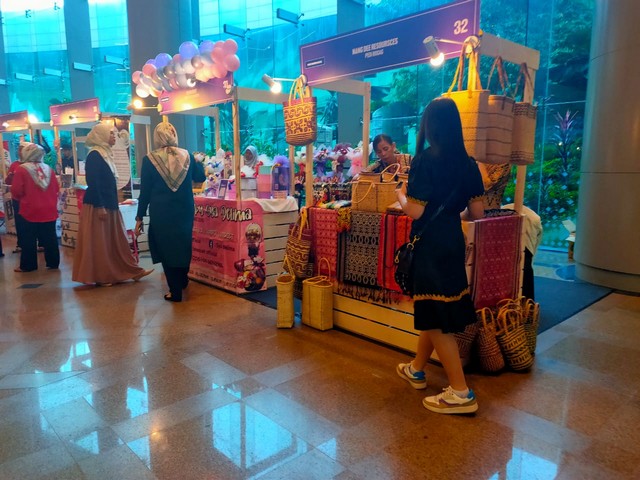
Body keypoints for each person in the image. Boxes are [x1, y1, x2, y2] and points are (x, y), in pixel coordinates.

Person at [395, 97, 484, 415]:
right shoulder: (469, 163)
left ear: (430, 126)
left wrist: (400, 196)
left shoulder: (423, 160)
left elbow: (416, 211)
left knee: (435, 315)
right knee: (437, 308)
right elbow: (476, 212)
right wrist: (450, 215)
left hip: (430, 244)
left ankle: (460, 393)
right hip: (453, 241)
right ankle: (416, 369)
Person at [72, 122, 152, 287]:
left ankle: (130, 270)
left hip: (109, 204)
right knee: (102, 243)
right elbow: (94, 183)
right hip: (99, 206)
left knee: (117, 241)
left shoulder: (105, 154)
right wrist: (100, 206)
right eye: (110, 133)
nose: (114, 136)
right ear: (101, 135)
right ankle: (103, 276)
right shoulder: (95, 155)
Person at [135, 122, 205, 302]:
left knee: (166, 248)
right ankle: (183, 280)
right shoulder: (187, 156)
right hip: (184, 210)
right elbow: (200, 177)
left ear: (157, 137)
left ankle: (175, 291)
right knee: (183, 244)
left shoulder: (150, 159)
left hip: (161, 212)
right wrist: (198, 161)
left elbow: (145, 192)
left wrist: (139, 216)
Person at [10, 143, 60, 272]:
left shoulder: (21, 169)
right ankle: (53, 262)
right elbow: (56, 188)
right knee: (50, 237)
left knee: (28, 238)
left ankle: (28, 265)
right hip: (49, 208)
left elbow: (16, 191)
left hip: (30, 209)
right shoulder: (48, 169)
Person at [503, 203, 543, 300]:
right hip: (526, 246)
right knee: (526, 270)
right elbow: (538, 238)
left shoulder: (502, 210)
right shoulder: (534, 217)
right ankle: (527, 302)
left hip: (509, 245)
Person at [5, 142, 27, 253]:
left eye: (22, 149)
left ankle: (37, 243)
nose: (20, 152)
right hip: (17, 198)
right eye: (19, 149)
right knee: (19, 221)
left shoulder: (29, 165)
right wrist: (10, 177)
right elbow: (7, 181)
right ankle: (21, 243)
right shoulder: (14, 165)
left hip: (28, 198)